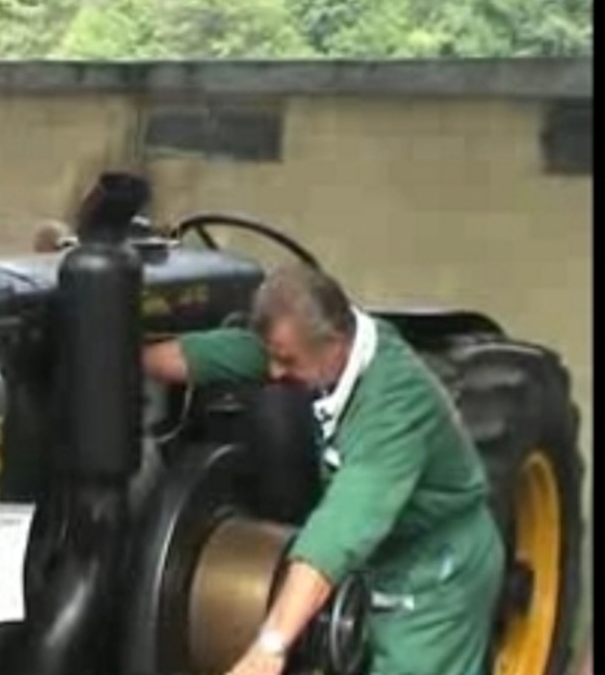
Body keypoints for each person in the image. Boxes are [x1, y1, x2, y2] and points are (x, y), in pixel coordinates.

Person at [143, 261, 505, 675]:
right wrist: (125, 361)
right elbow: (224, 354)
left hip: (435, 574)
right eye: (272, 358)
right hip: (379, 560)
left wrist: (270, 646)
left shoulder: (396, 409)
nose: (276, 373)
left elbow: (339, 530)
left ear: (333, 343)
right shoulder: (325, 353)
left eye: (287, 361)